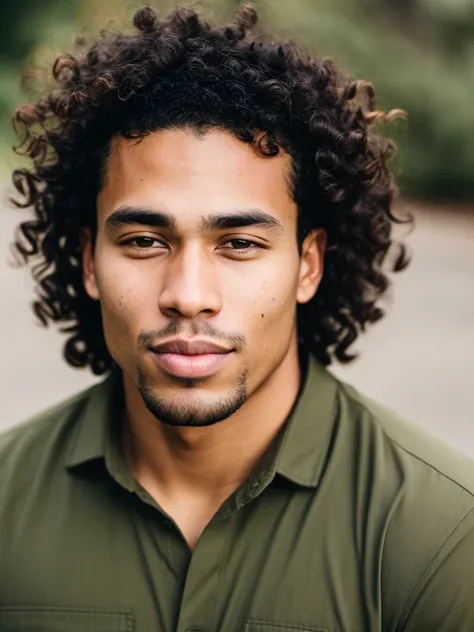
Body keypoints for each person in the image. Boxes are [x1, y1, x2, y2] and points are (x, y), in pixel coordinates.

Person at [1, 3, 473, 631]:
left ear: (308, 265)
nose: (189, 295)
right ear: (89, 260)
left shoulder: (442, 531)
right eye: (144, 240)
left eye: (240, 244)